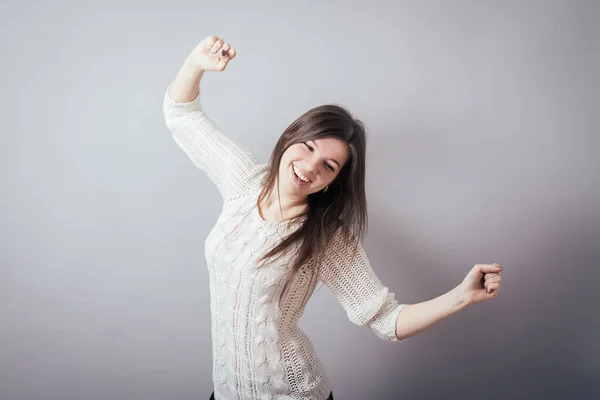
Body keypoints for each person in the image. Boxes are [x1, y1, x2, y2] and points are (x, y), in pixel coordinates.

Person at [163, 35, 503, 400]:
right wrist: (195, 63)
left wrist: (461, 297)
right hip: (227, 389)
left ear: (333, 181)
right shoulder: (245, 181)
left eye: (328, 165)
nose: (309, 168)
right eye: (308, 147)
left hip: (290, 394)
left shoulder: (326, 237)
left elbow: (386, 320)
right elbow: (183, 116)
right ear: (290, 138)